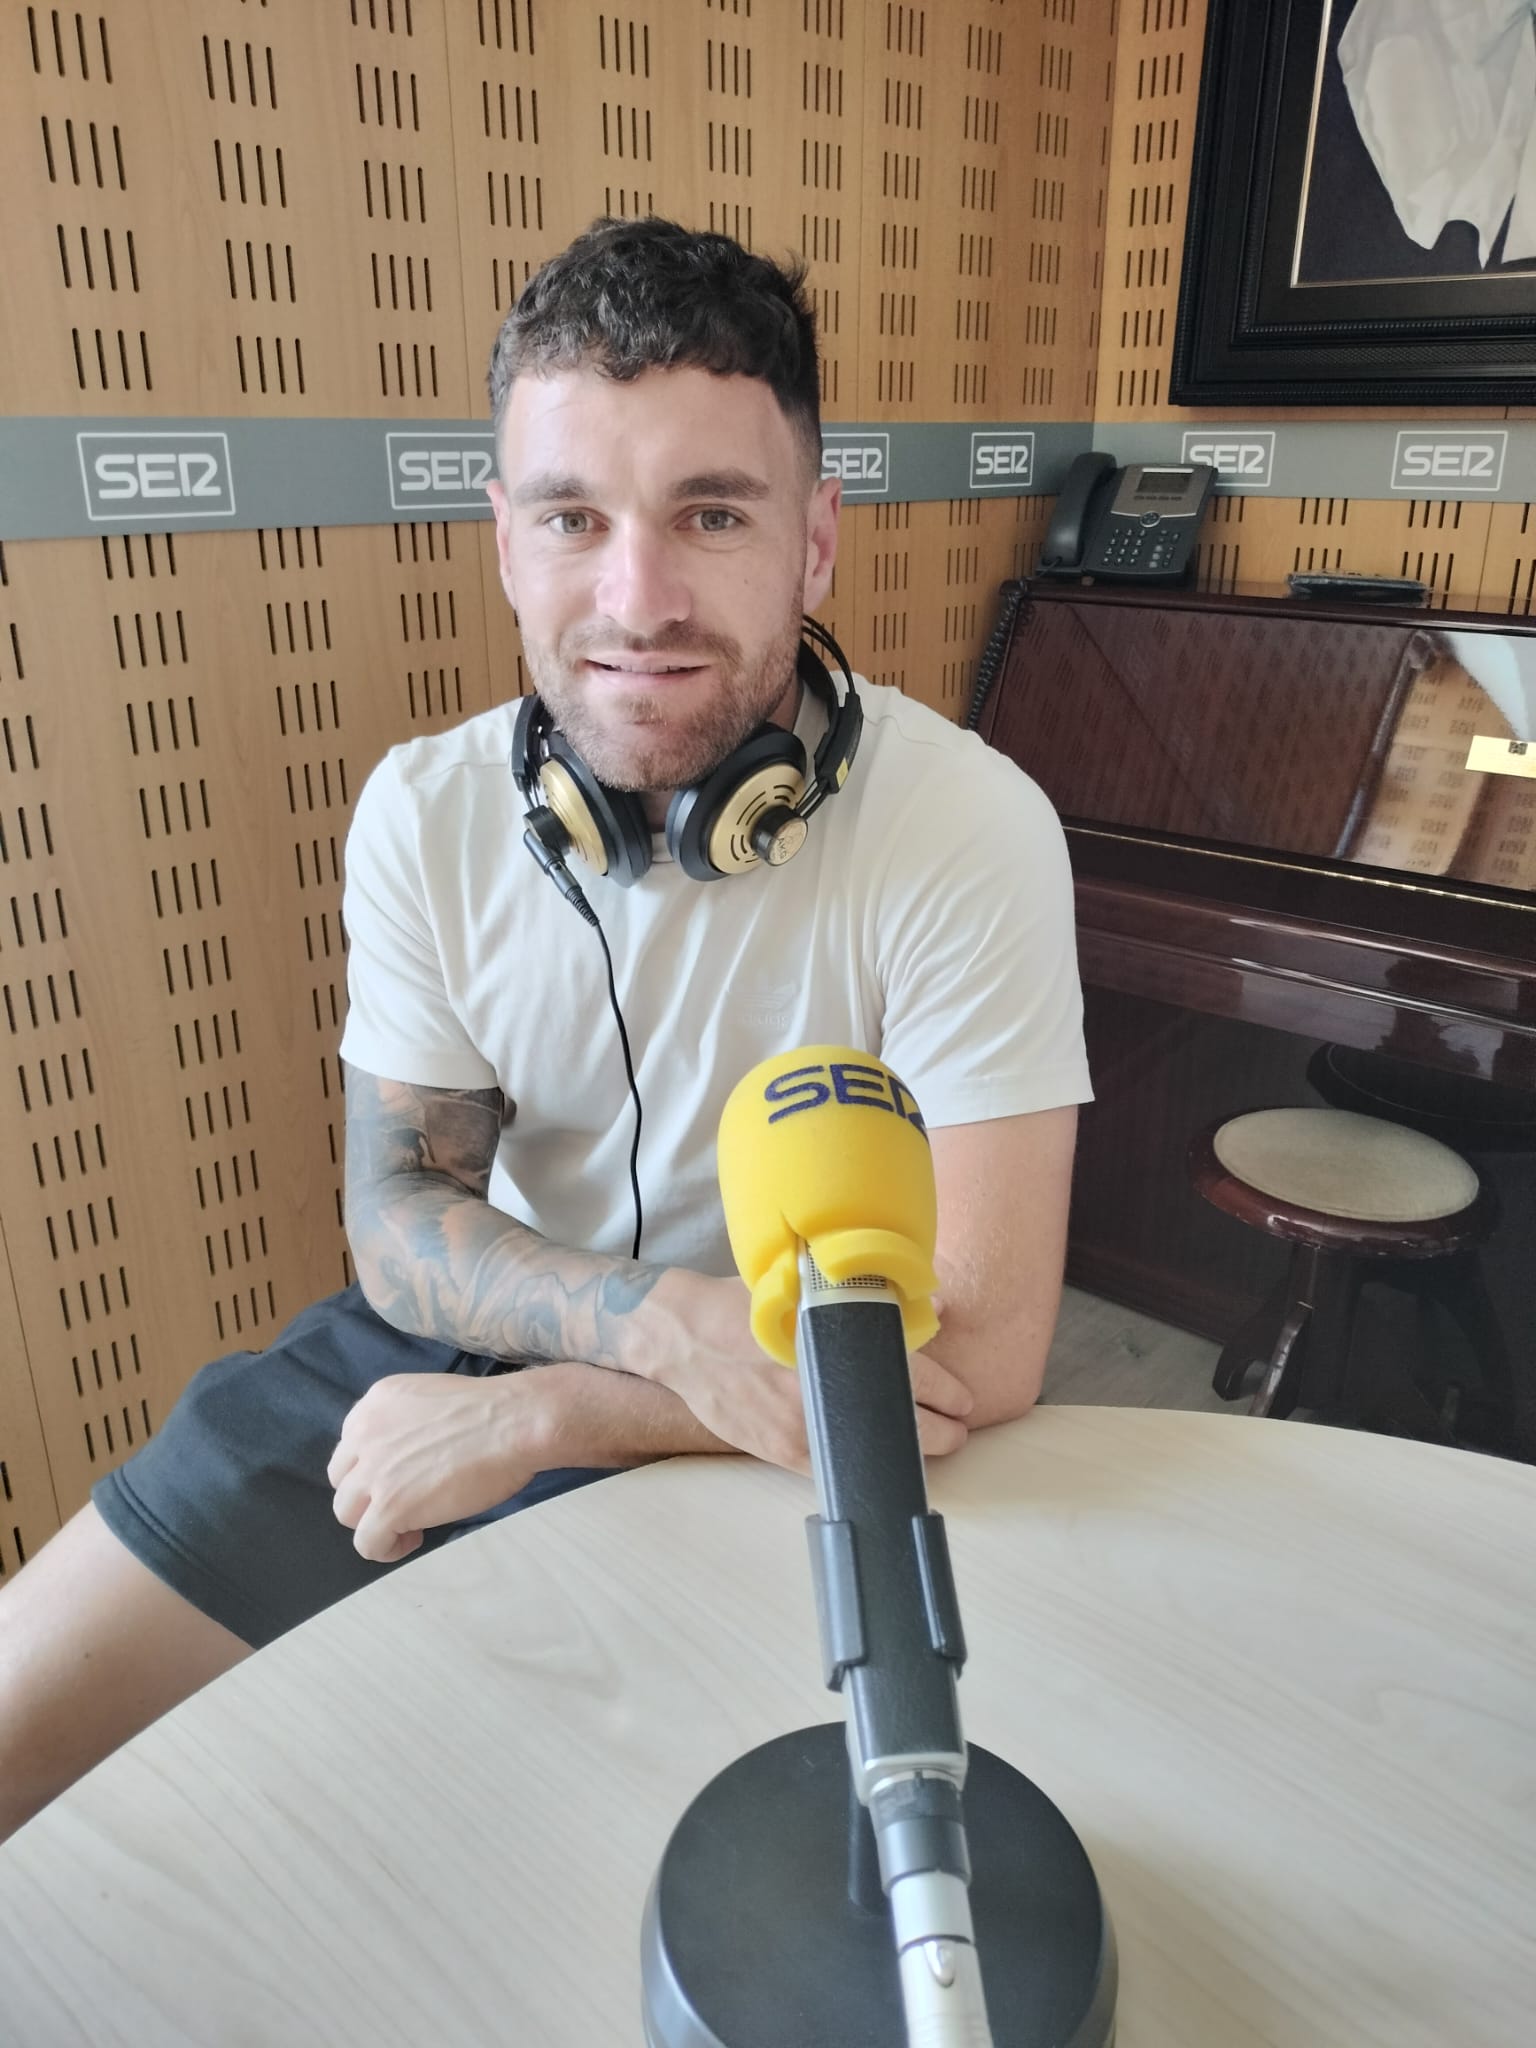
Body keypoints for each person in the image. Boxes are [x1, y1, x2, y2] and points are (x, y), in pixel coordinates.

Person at [0, 217, 1089, 1844]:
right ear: (505, 538)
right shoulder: (420, 813)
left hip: (803, 1407)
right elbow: (398, 1212)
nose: (635, 599)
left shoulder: (972, 830)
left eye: (711, 514)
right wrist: (647, 1327)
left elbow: (986, 1352)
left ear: (815, 542)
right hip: (476, 1344)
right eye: (575, 516)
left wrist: (561, 1412)